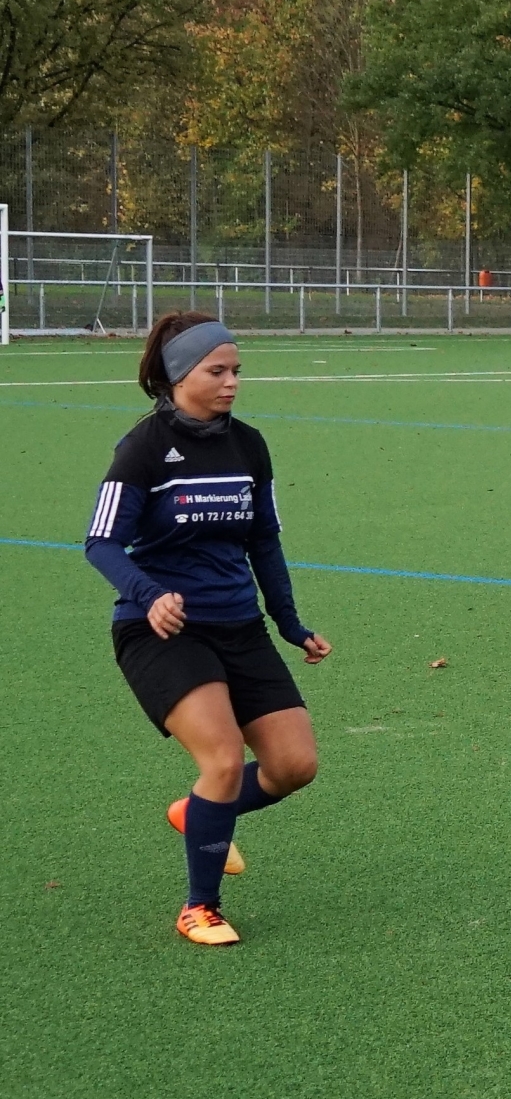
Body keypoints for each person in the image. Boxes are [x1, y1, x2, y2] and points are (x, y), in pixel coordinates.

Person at [83, 313, 330, 946]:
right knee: (221, 759)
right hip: (162, 631)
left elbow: (264, 541)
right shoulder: (143, 447)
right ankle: (200, 907)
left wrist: (291, 624)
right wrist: (149, 594)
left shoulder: (248, 444)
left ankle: (196, 813)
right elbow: (101, 542)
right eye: (216, 371)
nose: (231, 383)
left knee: (294, 765)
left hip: (240, 625)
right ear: (178, 375)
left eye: (236, 371)